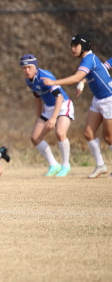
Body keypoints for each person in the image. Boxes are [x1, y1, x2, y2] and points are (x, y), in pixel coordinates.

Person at [42, 34, 112, 179]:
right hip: (97, 100)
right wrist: (83, 82)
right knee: (88, 133)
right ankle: (100, 165)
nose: (72, 49)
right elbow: (100, 69)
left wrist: (53, 82)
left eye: (75, 46)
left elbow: (76, 77)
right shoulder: (89, 59)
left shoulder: (89, 59)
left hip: (109, 99)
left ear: (84, 46)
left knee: (108, 137)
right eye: (72, 46)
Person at [20, 54, 74, 177]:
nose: (27, 70)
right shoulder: (29, 81)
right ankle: (54, 165)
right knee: (35, 138)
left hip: (63, 105)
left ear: (35, 67)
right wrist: (38, 116)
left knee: (60, 133)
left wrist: (54, 118)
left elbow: (59, 97)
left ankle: (65, 165)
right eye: (24, 68)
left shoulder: (45, 77)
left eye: (29, 67)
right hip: (49, 108)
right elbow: (37, 97)